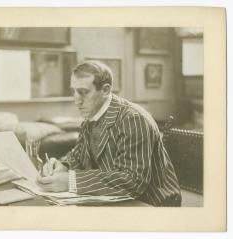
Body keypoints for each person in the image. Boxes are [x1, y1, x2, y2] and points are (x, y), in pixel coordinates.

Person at [36, 60, 181, 206]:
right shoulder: (92, 114)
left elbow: (132, 180)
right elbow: (78, 156)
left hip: (152, 204)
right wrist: (62, 165)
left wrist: (71, 181)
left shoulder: (133, 119)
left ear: (105, 90)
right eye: (73, 91)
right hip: (116, 199)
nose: (77, 100)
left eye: (84, 92)